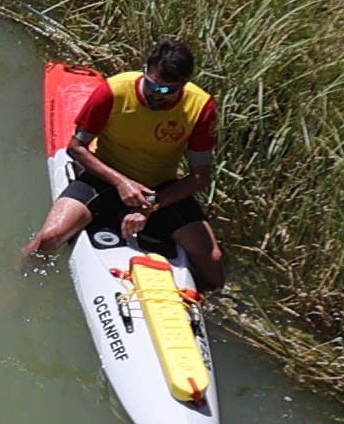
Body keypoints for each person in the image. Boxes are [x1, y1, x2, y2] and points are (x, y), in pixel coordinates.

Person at [19, 36, 225, 292]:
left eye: (168, 91)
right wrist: (121, 183)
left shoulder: (201, 107)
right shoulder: (113, 91)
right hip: (103, 178)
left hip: (157, 189)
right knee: (49, 238)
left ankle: (192, 301)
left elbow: (199, 177)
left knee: (214, 263)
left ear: (184, 85)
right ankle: (15, 285)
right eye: (152, 85)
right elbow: (76, 147)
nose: (156, 96)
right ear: (145, 71)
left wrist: (151, 205)